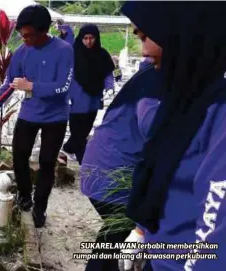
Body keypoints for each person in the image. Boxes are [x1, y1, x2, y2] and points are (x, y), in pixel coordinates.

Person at [119, 2, 226, 271]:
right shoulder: (185, 98)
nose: (144, 51)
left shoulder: (219, 112)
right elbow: (160, 168)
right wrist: (142, 231)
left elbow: (217, 218)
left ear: (183, 34)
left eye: (146, 37)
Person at [0, 5, 74, 228]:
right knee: (19, 156)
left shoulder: (64, 50)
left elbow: (63, 87)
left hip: (56, 117)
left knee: (47, 163)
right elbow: (8, 87)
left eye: (29, 35)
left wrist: (32, 86)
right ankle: (25, 196)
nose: (25, 39)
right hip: (29, 113)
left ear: (43, 31)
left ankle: (40, 207)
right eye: (22, 35)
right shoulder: (21, 52)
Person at [80, 22, 164, 271]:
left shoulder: (159, 74)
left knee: (115, 237)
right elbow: (163, 150)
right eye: (141, 38)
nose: (144, 50)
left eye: (146, 37)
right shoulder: (159, 82)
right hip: (115, 174)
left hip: (103, 166)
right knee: (122, 244)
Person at [62, 24, 115, 164]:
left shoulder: (102, 54)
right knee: (77, 130)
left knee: (85, 130)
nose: (88, 41)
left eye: (92, 38)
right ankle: (83, 161)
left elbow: (108, 74)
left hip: (94, 98)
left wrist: (110, 88)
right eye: (85, 38)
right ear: (81, 38)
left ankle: (68, 149)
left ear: (96, 38)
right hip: (76, 97)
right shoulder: (72, 53)